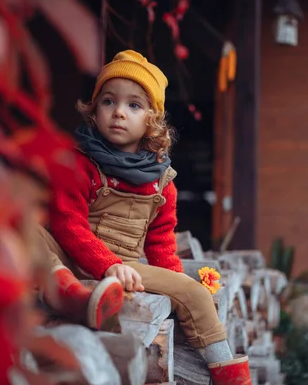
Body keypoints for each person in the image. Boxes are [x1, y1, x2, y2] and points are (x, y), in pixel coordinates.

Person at [43, 50, 251, 384]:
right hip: (69, 255)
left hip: (126, 266)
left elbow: (161, 241)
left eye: (134, 105)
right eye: (108, 101)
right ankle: (66, 289)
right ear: (94, 110)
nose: (119, 113)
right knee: (27, 229)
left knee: (194, 291)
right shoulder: (77, 164)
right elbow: (68, 223)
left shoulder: (161, 182)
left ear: (151, 119)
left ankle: (229, 372)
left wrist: (175, 285)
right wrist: (107, 265)